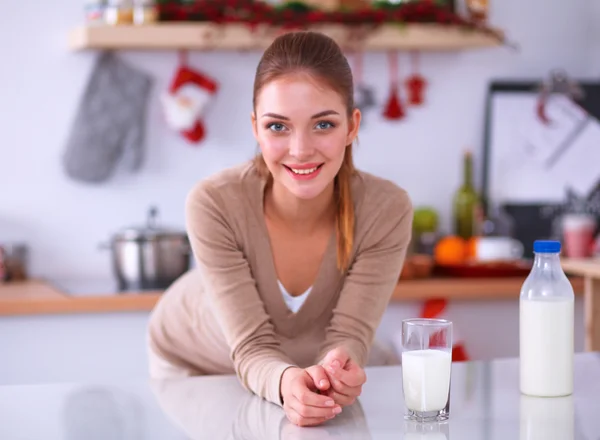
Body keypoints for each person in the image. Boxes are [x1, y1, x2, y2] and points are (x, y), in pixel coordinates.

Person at [147, 30, 413, 427]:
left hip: (299, 363)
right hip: (198, 361)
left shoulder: (385, 209)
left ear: (352, 126)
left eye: (323, 125)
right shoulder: (215, 203)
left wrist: (338, 368)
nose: (301, 149)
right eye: (278, 127)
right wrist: (287, 381)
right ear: (255, 127)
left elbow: (351, 333)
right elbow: (252, 346)